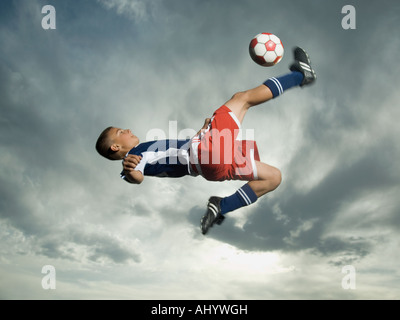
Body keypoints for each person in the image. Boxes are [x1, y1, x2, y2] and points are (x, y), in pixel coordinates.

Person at [96, 47, 316, 235]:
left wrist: (203, 132)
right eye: (120, 131)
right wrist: (132, 169)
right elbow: (137, 177)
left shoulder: (144, 155)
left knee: (273, 177)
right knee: (242, 99)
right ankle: (300, 76)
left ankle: (222, 206)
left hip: (210, 167)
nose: (127, 129)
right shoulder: (137, 155)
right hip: (206, 155)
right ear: (116, 146)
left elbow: (177, 156)